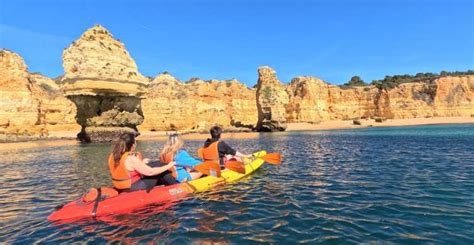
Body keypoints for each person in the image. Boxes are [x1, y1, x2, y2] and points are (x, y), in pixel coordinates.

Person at [108, 133, 177, 192]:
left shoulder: (113, 156)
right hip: (133, 187)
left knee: (157, 164)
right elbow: (151, 172)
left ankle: (165, 184)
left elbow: (127, 169)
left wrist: (142, 163)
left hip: (120, 186)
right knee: (162, 167)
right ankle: (175, 187)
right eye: (135, 142)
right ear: (132, 146)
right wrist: (169, 166)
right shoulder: (131, 159)